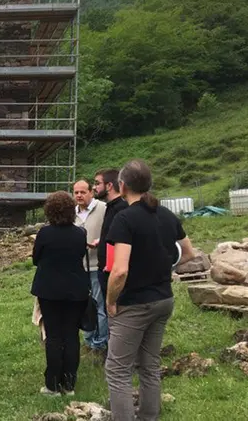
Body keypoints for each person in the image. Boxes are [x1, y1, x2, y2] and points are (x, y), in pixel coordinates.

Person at [104, 159, 195, 421]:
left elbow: (119, 270)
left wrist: (111, 301)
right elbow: (188, 252)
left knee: (118, 370)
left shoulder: (124, 219)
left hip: (134, 303)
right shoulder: (166, 215)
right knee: (150, 365)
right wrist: (164, 267)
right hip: (163, 299)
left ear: (122, 186)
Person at [31, 191, 90, 396]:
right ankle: (69, 384)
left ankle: (53, 384)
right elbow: (81, 254)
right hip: (76, 289)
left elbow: (36, 259)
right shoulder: (80, 233)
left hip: (49, 289)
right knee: (71, 335)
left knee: (54, 336)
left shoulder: (44, 234)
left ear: (49, 211)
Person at [73, 180, 108, 355]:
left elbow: (110, 231)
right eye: (76, 192)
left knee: (99, 304)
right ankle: (88, 339)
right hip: (79, 267)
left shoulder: (103, 208)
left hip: (97, 265)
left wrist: (100, 242)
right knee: (83, 305)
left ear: (91, 193)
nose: (79, 195)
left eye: (82, 192)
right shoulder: (73, 213)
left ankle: (100, 342)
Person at [93, 168, 128, 302]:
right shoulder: (110, 207)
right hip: (104, 269)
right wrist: (101, 241)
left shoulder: (121, 209)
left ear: (109, 186)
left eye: (97, 183)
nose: (94, 187)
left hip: (113, 272)